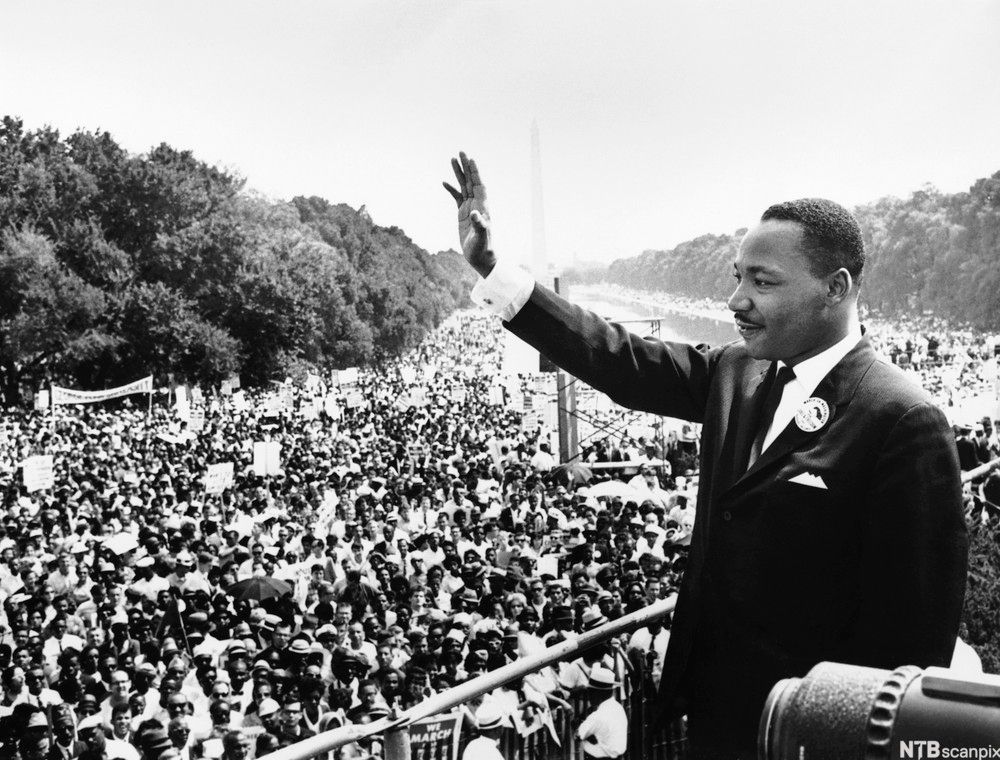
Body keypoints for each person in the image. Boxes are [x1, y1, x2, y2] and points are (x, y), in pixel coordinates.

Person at [444, 152, 969, 758]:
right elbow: (614, 356)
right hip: (712, 715)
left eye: (762, 281)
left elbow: (912, 641)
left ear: (837, 288)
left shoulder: (902, 418)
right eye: (737, 276)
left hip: (808, 734)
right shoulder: (736, 370)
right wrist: (490, 266)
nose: (736, 300)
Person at [576, 666, 627, 760]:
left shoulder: (597, 716)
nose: (589, 695)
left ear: (597, 693)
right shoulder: (619, 708)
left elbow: (578, 735)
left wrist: (587, 736)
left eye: (590, 692)